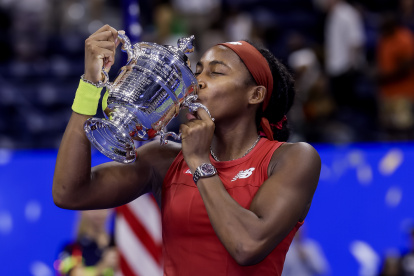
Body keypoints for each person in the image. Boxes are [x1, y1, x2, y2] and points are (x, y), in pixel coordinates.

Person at [53, 24, 321, 275]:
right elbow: (70, 194)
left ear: (255, 95)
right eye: (198, 71)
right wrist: (91, 85)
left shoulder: (292, 158)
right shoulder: (164, 159)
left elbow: (247, 246)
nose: (197, 82)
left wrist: (198, 161)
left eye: (216, 72)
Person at [55, 209, 118, 276]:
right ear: (82, 210)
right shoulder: (71, 249)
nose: (99, 212)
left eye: (104, 207)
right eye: (93, 207)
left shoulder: (118, 244)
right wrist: (102, 266)